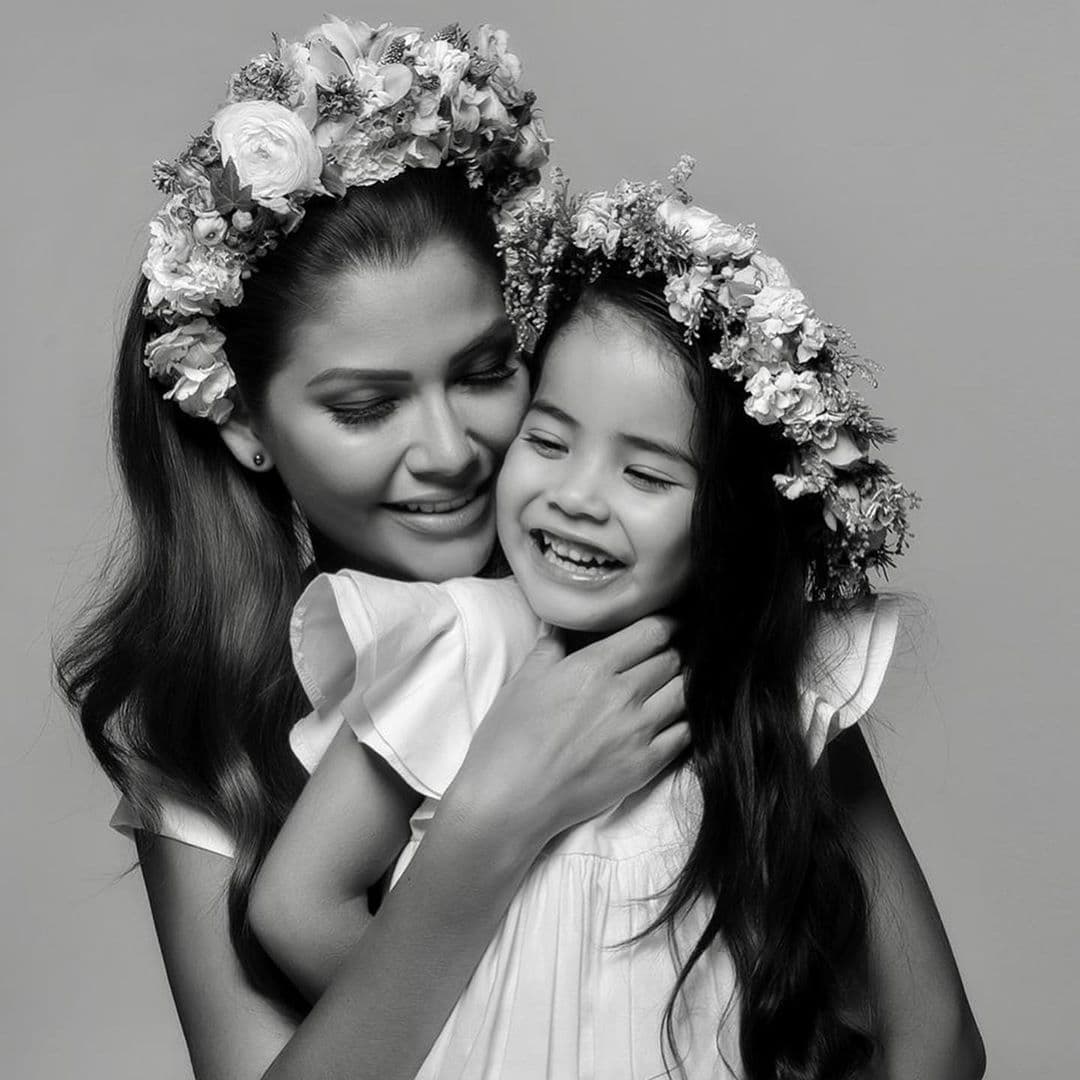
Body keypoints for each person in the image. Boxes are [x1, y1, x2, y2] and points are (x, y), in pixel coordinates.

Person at [53, 17, 980, 1080]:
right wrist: (490, 822)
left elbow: (935, 1041)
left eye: (488, 371)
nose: (449, 451)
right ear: (246, 425)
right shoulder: (201, 728)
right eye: (366, 407)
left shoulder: (691, 617)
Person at [250, 171, 984, 1079]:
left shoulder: (786, 689)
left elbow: (939, 1039)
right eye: (548, 441)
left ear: (729, 520)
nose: (577, 499)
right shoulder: (465, 641)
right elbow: (295, 904)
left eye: (646, 476)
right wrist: (467, 1041)